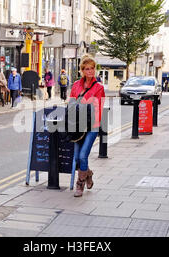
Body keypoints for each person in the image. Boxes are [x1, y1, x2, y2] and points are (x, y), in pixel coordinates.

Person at [69, 55, 105, 197]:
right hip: (77, 126)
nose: (90, 71)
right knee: (77, 157)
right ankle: (88, 173)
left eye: (92, 68)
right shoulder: (76, 85)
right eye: (87, 69)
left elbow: (99, 108)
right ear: (82, 70)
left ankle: (80, 184)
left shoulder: (99, 87)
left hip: (91, 126)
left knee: (83, 155)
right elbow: (71, 105)